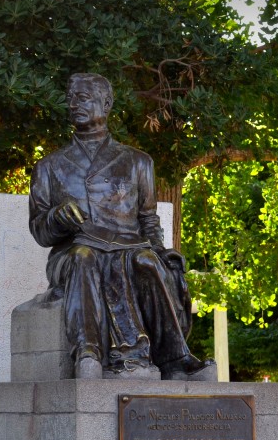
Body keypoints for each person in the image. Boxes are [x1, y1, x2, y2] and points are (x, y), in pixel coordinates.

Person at [28, 73, 213, 381]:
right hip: (72, 254)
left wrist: (162, 251)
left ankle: (176, 359)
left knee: (147, 261)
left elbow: (148, 220)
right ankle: (88, 354)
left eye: (83, 98)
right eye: (71, 98)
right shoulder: (49, 167)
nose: (74, 105)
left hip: (128, 249)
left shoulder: (138, 161)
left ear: (107, 104)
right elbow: (39, 231)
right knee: (84, 256)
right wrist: (57, 218)